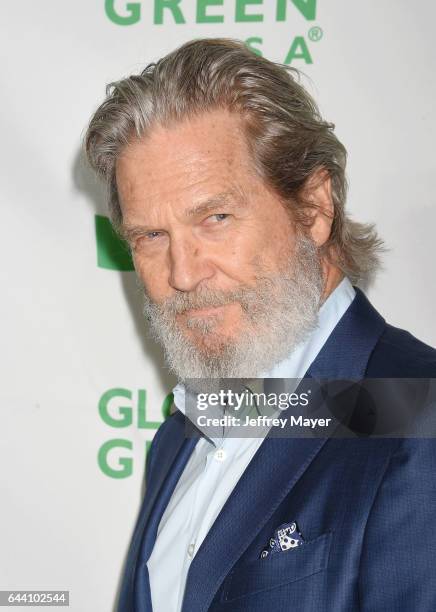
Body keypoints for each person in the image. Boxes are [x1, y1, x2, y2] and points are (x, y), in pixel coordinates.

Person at [84, 39, 436, 612]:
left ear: (315, 208)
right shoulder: (180, 436)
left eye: (215, 218)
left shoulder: (421, 415)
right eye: (151, 236)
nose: (183, 273)